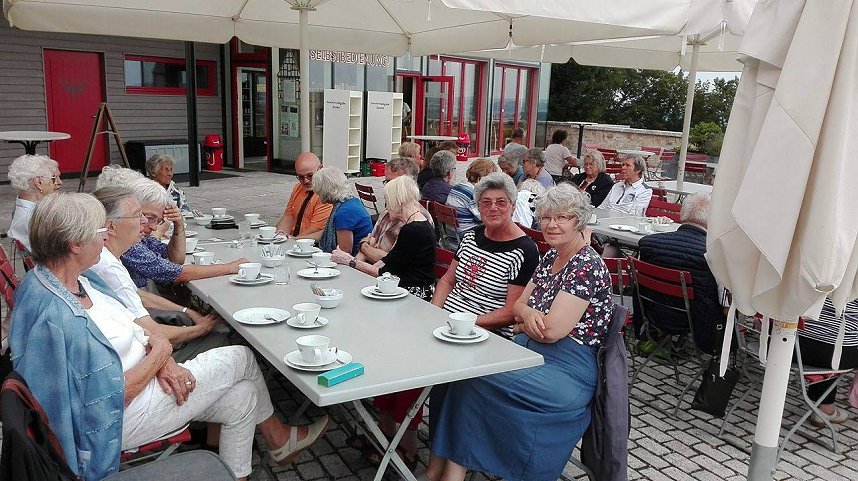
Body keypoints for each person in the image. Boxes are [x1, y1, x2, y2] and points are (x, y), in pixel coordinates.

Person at [9, 193, 330, 481]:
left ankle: (255, 461)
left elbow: (135, 325)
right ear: (74, 244)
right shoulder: (60, 315)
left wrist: (163, 361)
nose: (105, 236)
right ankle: (279, 438)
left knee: (242, 397)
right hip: (118, 420)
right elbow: (108, 398)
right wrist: (161, 354)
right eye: (99, 231)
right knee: (241, 357)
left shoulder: (77, 280)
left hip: (143, 381)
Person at [427, 183, 612, 481]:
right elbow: (518, 308)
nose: (552, 224)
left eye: (562, 217)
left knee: (469, 380)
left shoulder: (585, 265)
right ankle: (440, 470)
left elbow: (551, 331)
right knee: (457, 378)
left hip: (567, 372)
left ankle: (444, 472)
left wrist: (526, 321)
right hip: (531, 354)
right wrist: (527, 316)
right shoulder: (551, 257)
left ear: (578, 221)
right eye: (546, 217)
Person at [332, 175, 435, 467]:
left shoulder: (415, 228)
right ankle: (385, 431)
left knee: (395, 364)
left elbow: (386, 271)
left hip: (410, 305)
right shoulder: (415, 224)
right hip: (404, 299)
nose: (387, 208)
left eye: (389, 202)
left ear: (399, 200)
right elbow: (388, 264)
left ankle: (404, 446)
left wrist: (350, 261)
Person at [90, 187, 226, 363]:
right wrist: (201, 329)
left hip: (133, 347)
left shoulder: (107, 258)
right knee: (224, 339)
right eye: (139, 215)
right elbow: (152, 330)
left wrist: (187, 311)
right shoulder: (107, 265)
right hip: (139, 359)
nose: (146, 223)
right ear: (111, 227)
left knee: (190, 318)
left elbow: (140, 293)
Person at [432, 172, 540, 339]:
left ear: (513, 206)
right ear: (478, 207)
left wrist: (465, 325)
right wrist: (434, 313)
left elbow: (512, 311)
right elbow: (447, 280)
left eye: (501, 202)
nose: (493, 207)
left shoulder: (524, 251)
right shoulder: (471, 236)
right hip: (447, 323)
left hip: (485, 333)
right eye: (486, 202)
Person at [635, 193, 725, 354]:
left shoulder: (648, 244)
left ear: (682, 213)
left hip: (653, 312)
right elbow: (725, 304)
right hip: (696, 321)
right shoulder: (714, 255)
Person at [121, 178, 248, 289]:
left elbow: (176, 259)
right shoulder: (128, 244)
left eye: (158, 221)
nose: (154, 227)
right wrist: (229, 267)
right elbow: (178, 274)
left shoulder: (139, 238)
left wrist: (178, 224)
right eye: (149, 218)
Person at [356, 158, 432, 264]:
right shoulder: (388, 211)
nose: (387, 187)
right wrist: (354, 263)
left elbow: (393, 262)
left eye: (393, 183)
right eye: (386, 182)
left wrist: (364, 246)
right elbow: (369, 245)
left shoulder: (418, 220)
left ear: (409, 185)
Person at [799, 298, 858, 426]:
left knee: (830, 340)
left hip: (791, 345)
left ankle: (825, 406)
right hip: (834, 354)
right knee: (836, 342)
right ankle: (825, 408)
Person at [6, 154, 62, 252]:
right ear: (38, 182)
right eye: (55, 178)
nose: (60, 182)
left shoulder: (21, 206)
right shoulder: (37, 219)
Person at [312, 166, 373, 255]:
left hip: (357, 258)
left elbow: (344, 252)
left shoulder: (344, 213)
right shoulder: (350, 201)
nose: (317, 194)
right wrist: (300, 238)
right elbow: (327, 232)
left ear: (324, 190)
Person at [275, 152, 333, 239]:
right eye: (300, 177)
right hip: (295, 239)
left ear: (321, 169)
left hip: (311, 242)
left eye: (310, 176)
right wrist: (277, 236)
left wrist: (291, 241)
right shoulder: (298, 188)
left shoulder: (327, 193)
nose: (306, 181)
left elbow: (314, 230)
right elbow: (287, 218)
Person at [446, 158, 497, 235]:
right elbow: (481, 218)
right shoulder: (473, 193)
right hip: (465, 235)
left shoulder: (456, 187)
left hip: (451, 232)